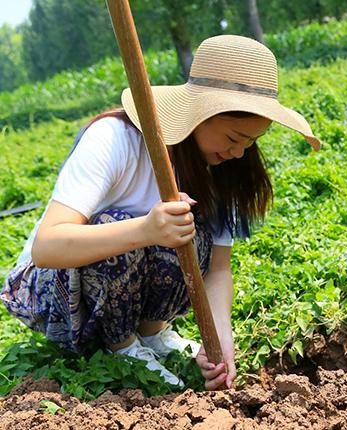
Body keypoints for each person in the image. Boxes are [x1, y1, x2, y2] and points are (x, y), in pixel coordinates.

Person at [1, 35, 320, 390]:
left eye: (250, 142)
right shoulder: (115, 139)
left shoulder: (222, 171)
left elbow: (217, 269)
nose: (239, 153)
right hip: (54, 294)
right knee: (119, 225)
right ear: (200, 115)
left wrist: (221, 338)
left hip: (123, 293)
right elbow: (48, 248)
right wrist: (145, 230)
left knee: (190, 227)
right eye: (233, 138)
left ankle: (152, 334)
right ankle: (121, 345)